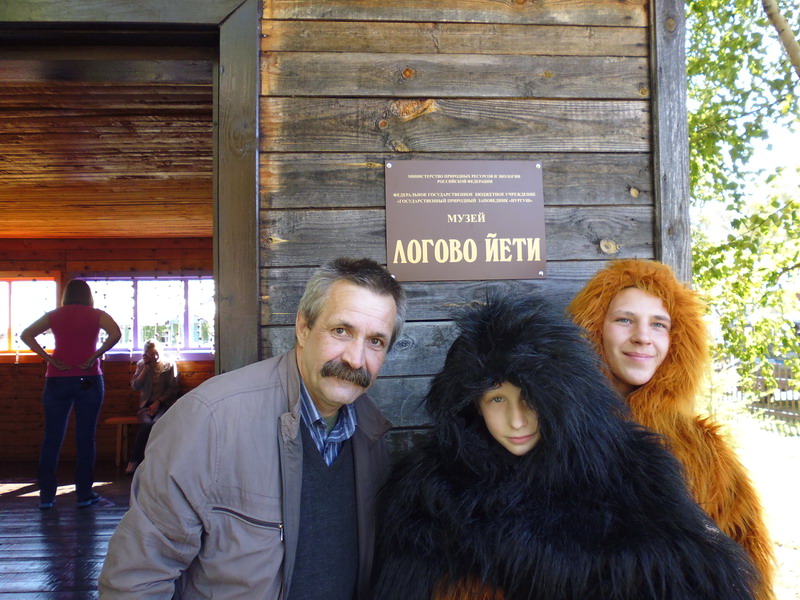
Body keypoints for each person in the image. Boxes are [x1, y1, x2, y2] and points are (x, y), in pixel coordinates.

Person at [371, 293, 757, 600]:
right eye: (497, 399)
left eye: (532, 398)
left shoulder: (632, 473)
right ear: (471, 405)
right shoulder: (431, 492)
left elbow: (696, 574)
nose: (517, 420)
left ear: (559, 400)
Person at [99, 257, 406, 599]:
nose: (355, 359)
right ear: (303, 328)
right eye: (341, 331)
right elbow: (136, 581)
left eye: (375, 341)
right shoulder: (210, 420)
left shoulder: (370, 431)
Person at [568, 258, 775, 600]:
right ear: (593, 328)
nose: (642, 337)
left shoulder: (705, 454)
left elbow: (746, 572)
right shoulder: (552, 437)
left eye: (659, 324)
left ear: (677, 340)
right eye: (624, 320)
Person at [20, 279, 122, 509]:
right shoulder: (97, 314)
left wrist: (48, 358)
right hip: (89, 379)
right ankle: (84, 495)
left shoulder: (54, 315)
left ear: (66, 295)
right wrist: (95, 355)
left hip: (57, 379)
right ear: (88, 295)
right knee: (86, 438)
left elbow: (26, 334)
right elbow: (115, 334)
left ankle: (46, 497)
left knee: (52, 438)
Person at [126, 338, 180, 474]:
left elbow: (173, 388)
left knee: (157, 423)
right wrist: (145, 369)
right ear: (146, 355)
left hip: (164, 404)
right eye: (150, 354)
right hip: (146, 405)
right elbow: (135, 386)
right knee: (146, 424)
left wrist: (159, 402)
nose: (154, 357)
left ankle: (157, 462)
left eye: (156, 353)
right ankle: (135, 460)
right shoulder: (141, 365)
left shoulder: (168, 365)